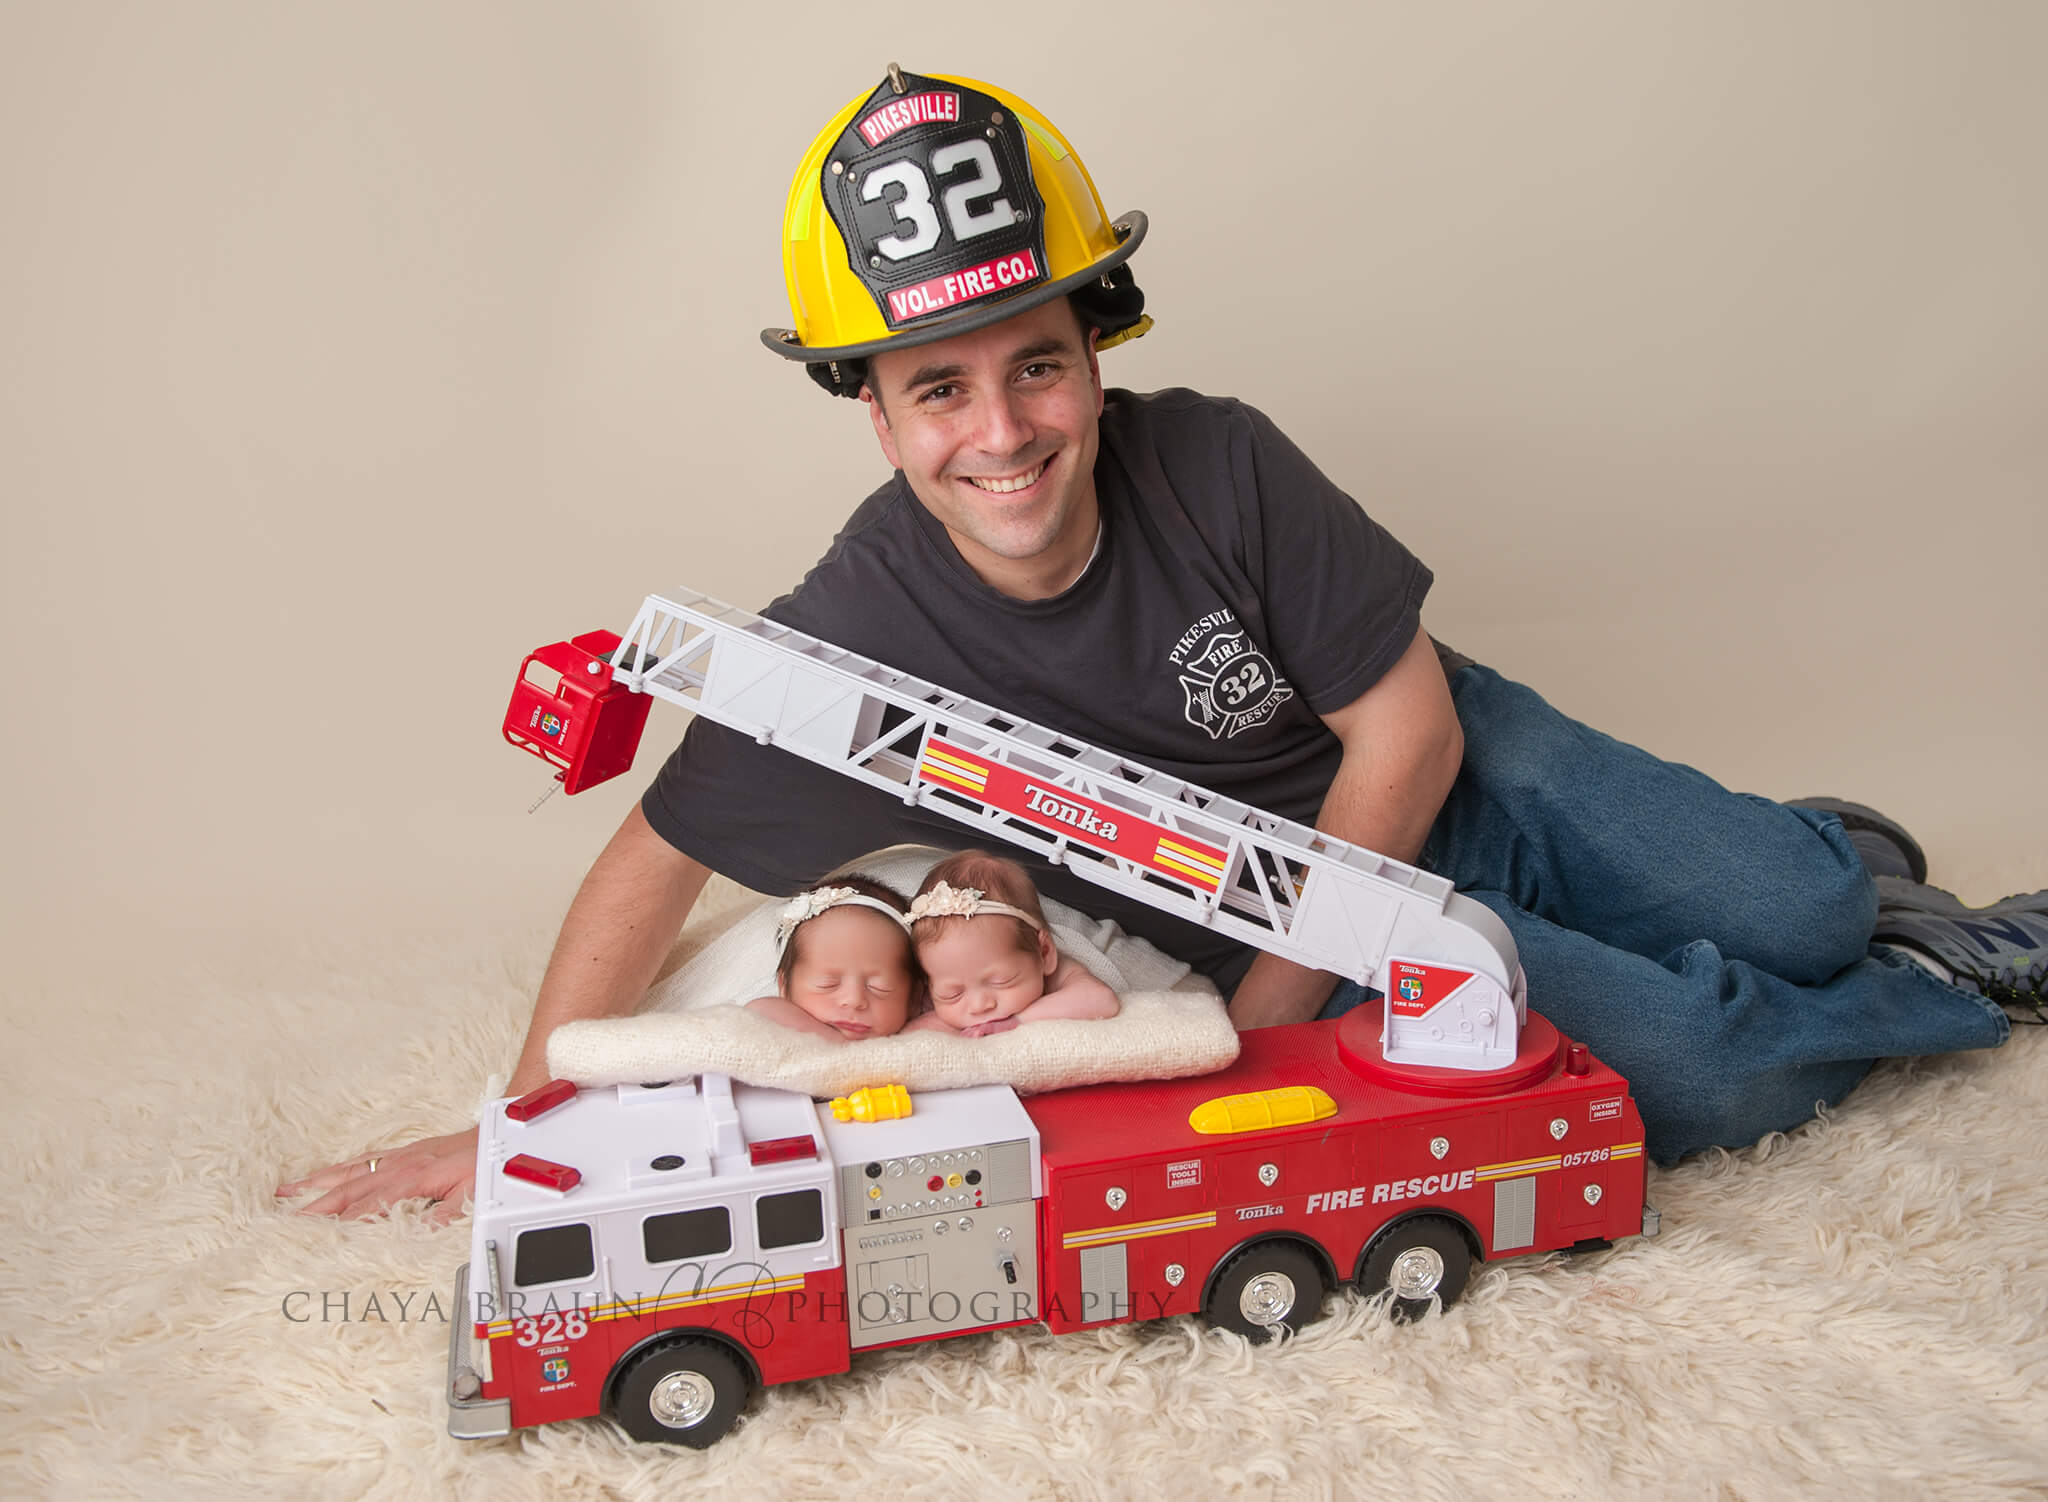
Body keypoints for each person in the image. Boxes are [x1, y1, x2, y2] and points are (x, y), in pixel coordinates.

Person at [279, 65, 2045, 1222]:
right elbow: (647, 861)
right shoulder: (853, 634)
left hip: (1442, 768)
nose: (1002, 431)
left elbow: (1410, 734)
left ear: (1094, 348)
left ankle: (1831, 876)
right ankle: (1951, 976)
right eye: (937, 391)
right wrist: (517, 1137)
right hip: (1321, 915)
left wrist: (1259, 1013)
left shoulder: (1219, 458)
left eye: (1036, 362)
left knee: (1788, 902)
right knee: (1705, 1069)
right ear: (875, 415)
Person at [902, 851, 1120, 1037]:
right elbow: (915, 1035)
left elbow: (1102, 1000)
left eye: (1001, 981)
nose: (980, 1005)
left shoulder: (1061, 972)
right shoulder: (932, 983)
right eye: (952, 994)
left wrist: (1017, 1021)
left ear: (1044, 953)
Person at [744, 876, 920, 1042]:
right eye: (827, 984)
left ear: (914, 997)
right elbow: (760, 1010)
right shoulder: (776, 1031)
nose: (853, 1000)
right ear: (784, 987)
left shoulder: (916, 1040)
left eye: (880, 987)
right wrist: (841, 1047)